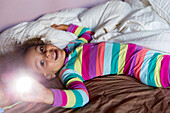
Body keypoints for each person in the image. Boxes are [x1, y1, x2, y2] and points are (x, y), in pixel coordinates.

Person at [20, 24, 170, 108]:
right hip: (145, 67)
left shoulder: (73, 46)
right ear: (49, 75)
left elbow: (87, 34)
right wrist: (48, 95)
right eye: (41, 63)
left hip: (150, 56)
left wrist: (68, 27)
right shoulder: (68, 72)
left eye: (41, 49)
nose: (46, 54)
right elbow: (81, 97)